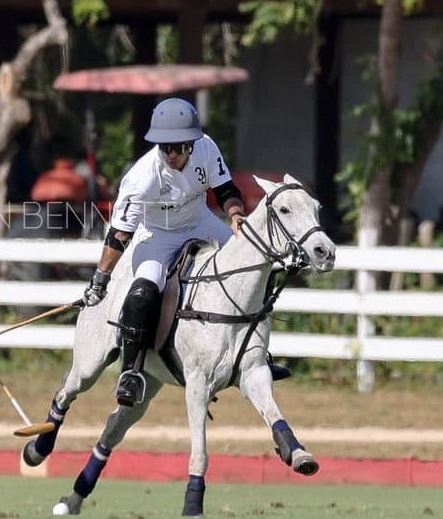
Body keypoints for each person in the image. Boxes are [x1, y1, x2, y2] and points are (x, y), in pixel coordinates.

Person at [81, 97, 288, 407]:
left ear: (191, 144)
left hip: (199, 221)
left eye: (178, 147)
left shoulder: (206, 148)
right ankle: (131, 372)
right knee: (142, 292)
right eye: (165, 147)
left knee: (254, 262)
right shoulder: (141, 178)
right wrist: (100, 279)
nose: (171, 154)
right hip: (157, 235)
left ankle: (257, 355)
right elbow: (120, 234)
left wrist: (235, 215)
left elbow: (225, 190)